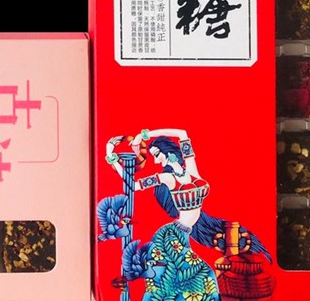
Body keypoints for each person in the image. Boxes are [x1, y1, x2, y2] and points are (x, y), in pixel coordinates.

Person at [105, 128, 269, 301]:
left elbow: (182, 133)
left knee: (195, 278)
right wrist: (112, 159)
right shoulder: (167, 178)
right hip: (171, 236)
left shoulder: (191, 168)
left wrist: (144, 135)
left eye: (157, 154)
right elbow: (134, 185)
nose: (155, 160)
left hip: (182, 234)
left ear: (167, 152)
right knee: (199, 275)